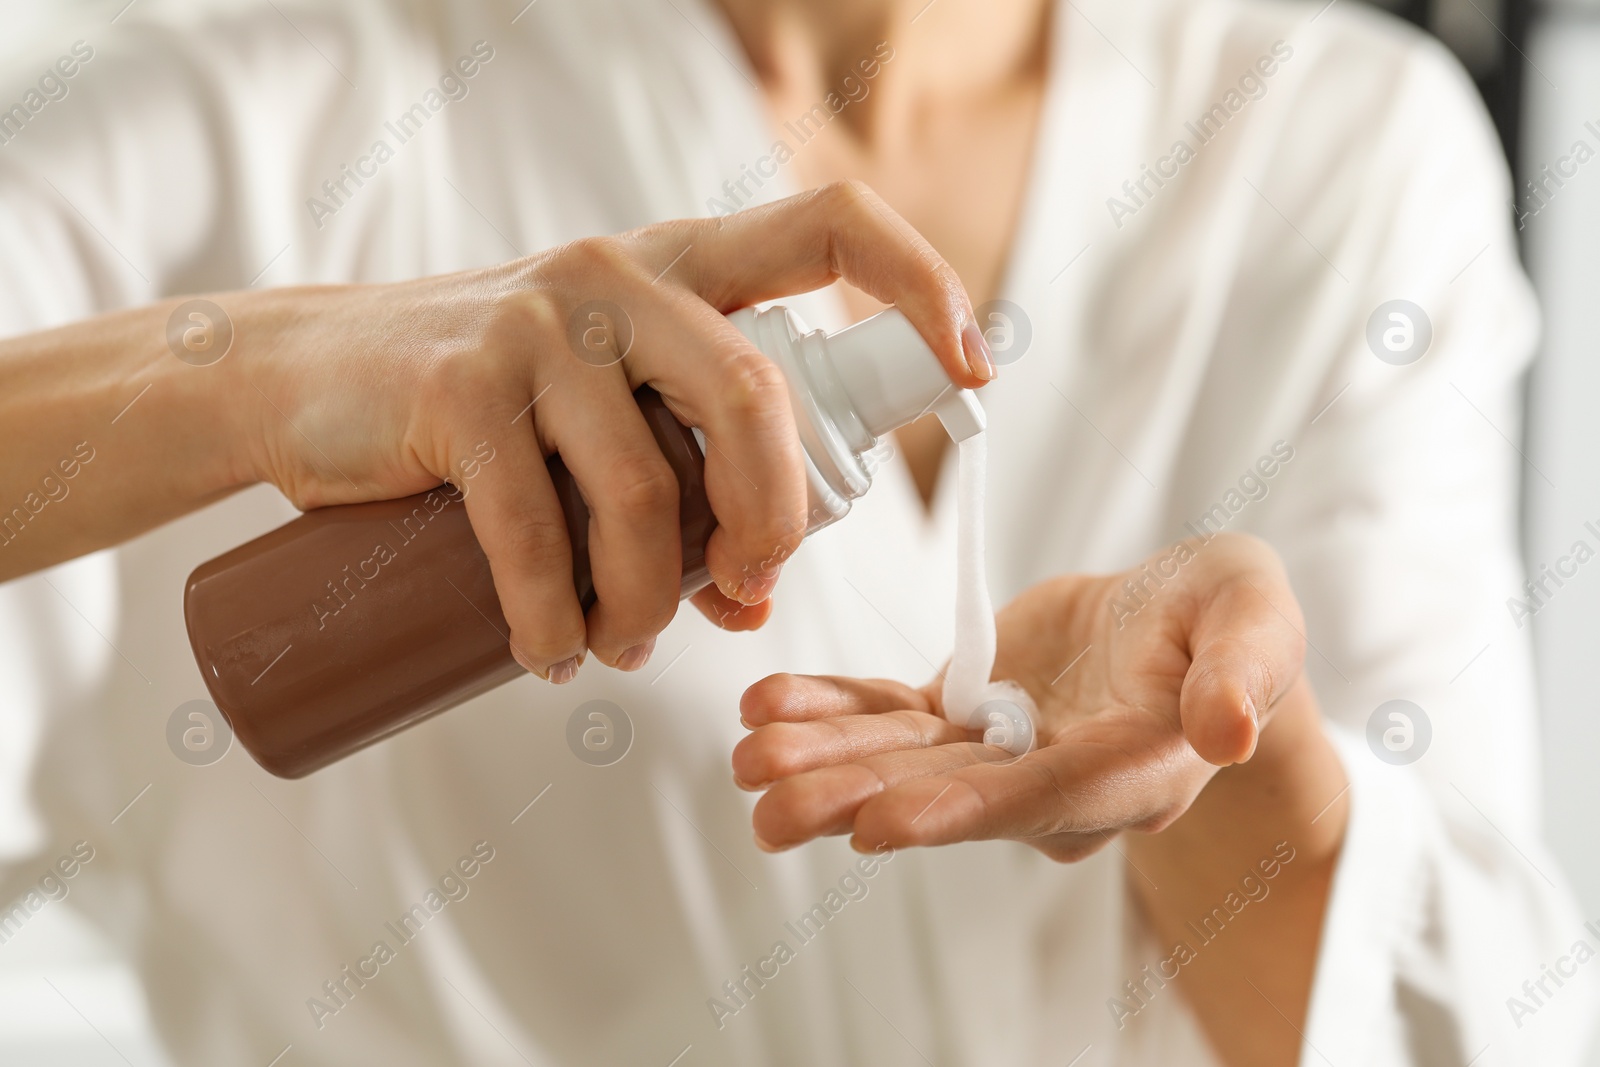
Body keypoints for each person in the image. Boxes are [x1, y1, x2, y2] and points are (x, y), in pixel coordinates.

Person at [0, 1, 1591, 1065]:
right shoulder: (252, 118)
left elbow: (1453, 1016)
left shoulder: (1333, 143)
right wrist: (241, 367)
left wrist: (1231, 760)